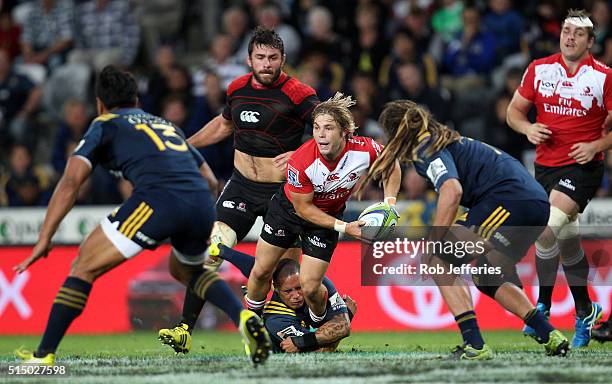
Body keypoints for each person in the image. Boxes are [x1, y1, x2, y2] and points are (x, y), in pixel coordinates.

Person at [12, 66, 271, 366]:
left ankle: (43, 356)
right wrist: (193, 217)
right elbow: (210, 180)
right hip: (201, 201)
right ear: (136, 99)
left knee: (83, 265)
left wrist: (45, 236)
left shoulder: (105, 123)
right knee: (186, 270)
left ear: (99, 103)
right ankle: (243, 318)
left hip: (158, 199)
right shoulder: (164, 124)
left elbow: (71, 181)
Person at [360, 100, 570, 359]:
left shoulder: (425, 148)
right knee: (486, 275)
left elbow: (452, 191)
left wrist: (434, 241)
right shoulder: (443, 140)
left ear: (396, 132)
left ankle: (475, 345)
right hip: (532, 203)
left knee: (439, 260)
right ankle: (549, 334)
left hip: (508, 201)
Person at [158, 27, 320, 354]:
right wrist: (185, 146)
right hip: (242, 188)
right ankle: (184, 329)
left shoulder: (300, 93)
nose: (267, 63)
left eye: (273, 58)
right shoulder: (236, 89)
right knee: (212, 251)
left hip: (283, 192)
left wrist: (305, 151)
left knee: (286, 275)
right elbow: (223, 125)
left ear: (283, 59)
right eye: (260, 57)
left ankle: (308, 333)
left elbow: (329, 130)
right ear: (249, 59)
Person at [243, 93, 401, 335]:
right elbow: (303, 209)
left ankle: (318, 328)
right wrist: (345, 227)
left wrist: (389, 203)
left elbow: (391, 164)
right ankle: (253, 328)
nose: (321, 134)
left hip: (326, 220)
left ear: (345, 132)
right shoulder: (301, 160)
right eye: (317, 128)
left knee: (310, 287)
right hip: (288, 212)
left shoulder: (364, 149)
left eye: (328, 128)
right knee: (262, 270)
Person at [507, 9, 609, 348]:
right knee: (567, 240)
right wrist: (528, 128)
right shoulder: (539, 69)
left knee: (547, 227)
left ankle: (543, 306)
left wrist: (596, 144)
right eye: (566, 30)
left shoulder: (604, 77)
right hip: (545, 167)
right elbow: (513, 113)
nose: (570, 37)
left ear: (591, 42)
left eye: (579, 33)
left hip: (583, 166)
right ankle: (585, 310)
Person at [211, 245, 356, 353]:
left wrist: (301, 342)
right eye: (288, 291)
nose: (296, 295)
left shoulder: (316, 284)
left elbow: (342, 327)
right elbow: (322, 350)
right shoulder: (277, 319)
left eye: (299, 288)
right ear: (277, 290)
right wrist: (346, 316)